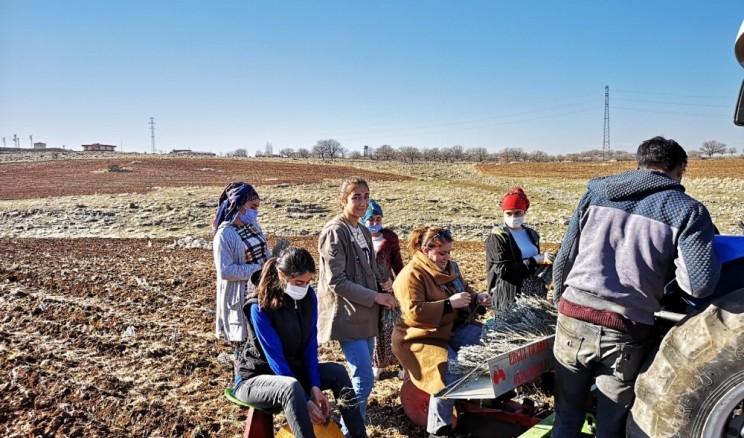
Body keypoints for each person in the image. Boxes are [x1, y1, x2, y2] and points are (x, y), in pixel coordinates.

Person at [551, 136, 722, 437]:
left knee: (566, 419)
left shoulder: (596, 193)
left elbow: (565, 256)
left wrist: (559, 303)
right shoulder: (688, 211)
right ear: (680, 170)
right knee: (611, 427)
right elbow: (699, 285)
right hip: (624, 330)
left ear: (639, 163)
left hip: (571, 320)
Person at [233, 247, 367, 438]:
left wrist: (314, 386)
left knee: (337, 372)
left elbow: (310, 344)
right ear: (281, 275)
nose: (303, 288)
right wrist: (306, 399)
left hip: (293, 373)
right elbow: (275, 359)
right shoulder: (259, 306)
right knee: (290, 388)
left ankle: (359, 435)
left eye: (307, 282)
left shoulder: (308, 298)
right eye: (298, 282)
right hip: (256, 379)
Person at [391, 226, 492, 438]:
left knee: (492, 345)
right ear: (426, 250)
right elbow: (413, 313)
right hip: (419, 337)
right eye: (441, 253)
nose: (446, 257)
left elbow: (464, 291)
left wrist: (477, 298)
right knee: (448, 372)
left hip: (450, 329)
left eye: (449, 252)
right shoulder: (411, 275)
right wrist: (447, 305)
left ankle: (484, 402)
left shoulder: (450, 268)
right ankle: (439, 430)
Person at [317, 177, 398, 428]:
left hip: (366, 312)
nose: (362, 202)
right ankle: (349, 430)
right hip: (348, 313)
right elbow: (336, 281)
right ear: (343, 201)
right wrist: (375, 295)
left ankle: (354, 426)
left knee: (361, 375)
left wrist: (384, 284)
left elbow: (370, 268)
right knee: (364, 376)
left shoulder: (361, 229)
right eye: (356, 197)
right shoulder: (335, 231)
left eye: (365, 196)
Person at [213, 182, 271, 343]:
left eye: (257, 207)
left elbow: (265, 251)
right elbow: (226, 271)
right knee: (245, 347)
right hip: (241, 298)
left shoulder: (253, 226)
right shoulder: (224, 235)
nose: (255, 212)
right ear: (238, 205)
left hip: (261, 292)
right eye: (252, 206)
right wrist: (259, 269)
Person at [485, 187, 554, 310]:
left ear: (524, 211)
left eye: (517, 213)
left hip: (534, 292)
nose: (513, 217)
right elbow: (503, 270)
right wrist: (534, 260)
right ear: (503, 213)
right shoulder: (497, 237)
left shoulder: (532, 234)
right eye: (509, 213)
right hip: (509, 295)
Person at [360, 199, 405, 380]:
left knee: (393, 327)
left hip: (387, 289)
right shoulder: (358, 237)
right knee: (374, 328)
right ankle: (378, 363)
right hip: (367, 291)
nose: (375, 223)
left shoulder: (389, 238)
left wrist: (396, 284)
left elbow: (398, 264)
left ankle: (402, 363)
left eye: (378, 219)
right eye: (371, 220)